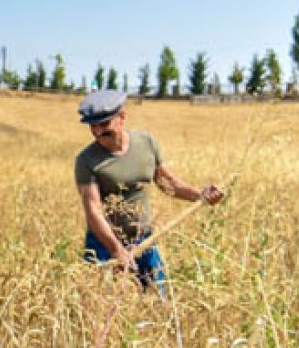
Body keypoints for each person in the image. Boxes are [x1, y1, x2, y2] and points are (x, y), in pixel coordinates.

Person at [74, 89, 224, 291]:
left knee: (158, 299)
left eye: (104, 124)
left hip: (143, 238)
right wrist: (116, 250)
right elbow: (93, 211)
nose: (99, 132)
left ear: (122, 117)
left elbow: (166, 183)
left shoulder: (146, 144)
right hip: (103, 243)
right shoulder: (86, 160)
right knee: (100, 306)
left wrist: (200, 195)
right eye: (93, 126)